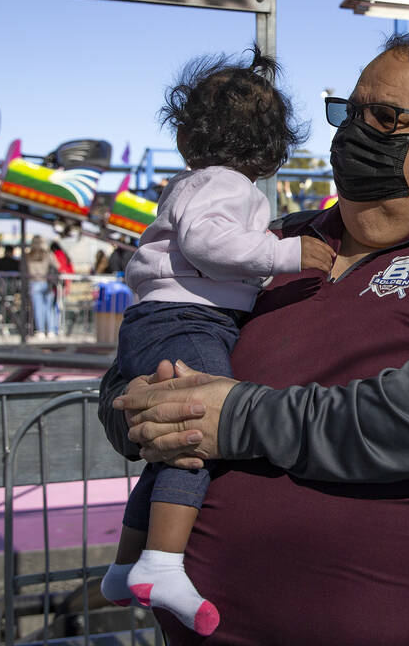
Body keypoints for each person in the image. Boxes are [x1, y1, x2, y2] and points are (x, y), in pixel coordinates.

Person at [98, 34, 409, 646]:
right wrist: (140, 411)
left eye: (384, 118)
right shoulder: (273, 242)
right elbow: (149, 343)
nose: (354, 133)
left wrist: (237, 417)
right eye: (348, 113)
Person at [97, 47, 335, 635]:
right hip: (188, 319)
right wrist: (285, 254)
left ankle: (127, 563)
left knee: (164, 452)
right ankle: (164, 563)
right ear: (269, 144)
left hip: (166, 319)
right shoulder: (227, 185)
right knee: (195, 432)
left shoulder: (197, 180)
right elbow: (207, 243)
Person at [23, 236, 59, 337]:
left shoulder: (28, 256)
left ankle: (41, 331)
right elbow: (57, 266)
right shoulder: (47, 254)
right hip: (47, 282)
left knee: (38, 308)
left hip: (34, 282)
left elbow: (23, 269)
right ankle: (51, 330)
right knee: (49, 308)